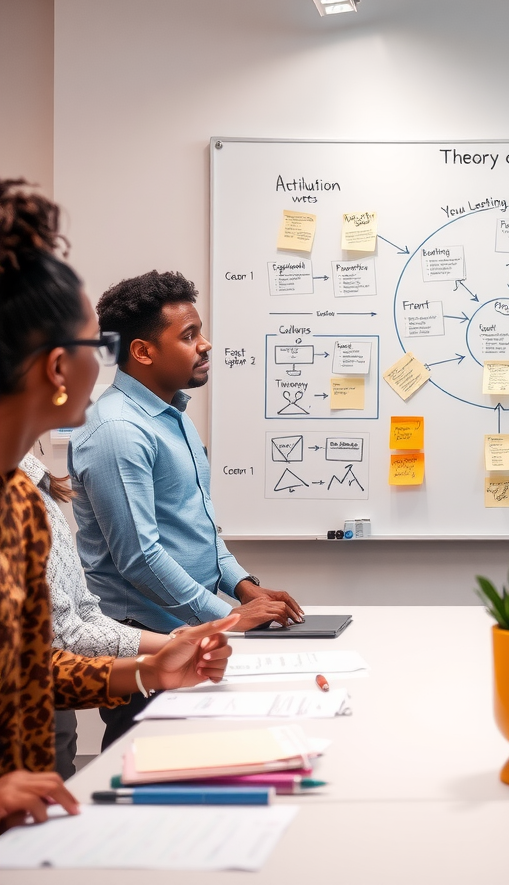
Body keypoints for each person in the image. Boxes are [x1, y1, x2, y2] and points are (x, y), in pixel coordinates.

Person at [0, 180, 235, 825]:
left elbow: (45, 652)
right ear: (55, 369)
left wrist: (154, 664)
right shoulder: (106, 434)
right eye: (92, 348)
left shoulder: (23, 498)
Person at [68, 270, 304, 744]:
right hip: (148, 640)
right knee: (145, 779)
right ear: (142, 351)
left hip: (192, 629)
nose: (206, 345)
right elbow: (140, 558)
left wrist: (242, 587)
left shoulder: (171, 416)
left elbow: (197, 526)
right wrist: (226, 619)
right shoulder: (117, 431)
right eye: (190, 335)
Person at [19, 452, 170, 779]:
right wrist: (154, 662)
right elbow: (61, 639)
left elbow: (71, 624)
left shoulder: (32, 485)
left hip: (43, 714)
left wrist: (153, 667)